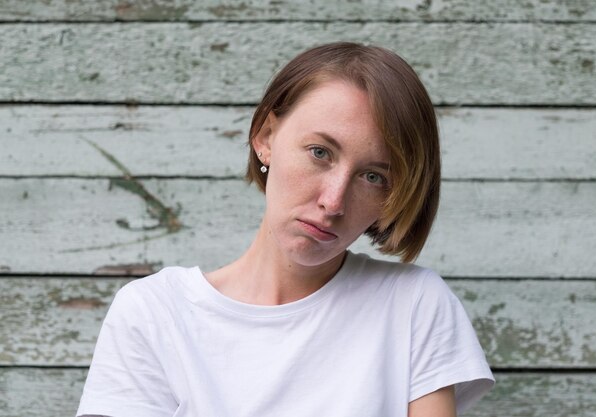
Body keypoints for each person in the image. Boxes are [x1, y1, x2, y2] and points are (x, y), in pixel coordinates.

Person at [76, 42, 494, 417]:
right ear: (265, 137)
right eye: (320, 153)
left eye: (373, 177)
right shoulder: (153, 314)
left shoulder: (414, 306)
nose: (333, 202)